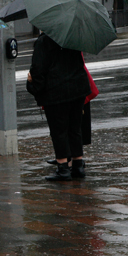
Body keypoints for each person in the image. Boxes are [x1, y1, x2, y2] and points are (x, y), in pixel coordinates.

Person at [27, 32, 91, 181]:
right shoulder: (73, 36)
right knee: (75, 128)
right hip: (77, 89)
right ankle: (78, 165)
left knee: (59, 130)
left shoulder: (44, 41)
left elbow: (38, 68)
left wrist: (32, 84)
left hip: (56, 91)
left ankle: (63, 168)